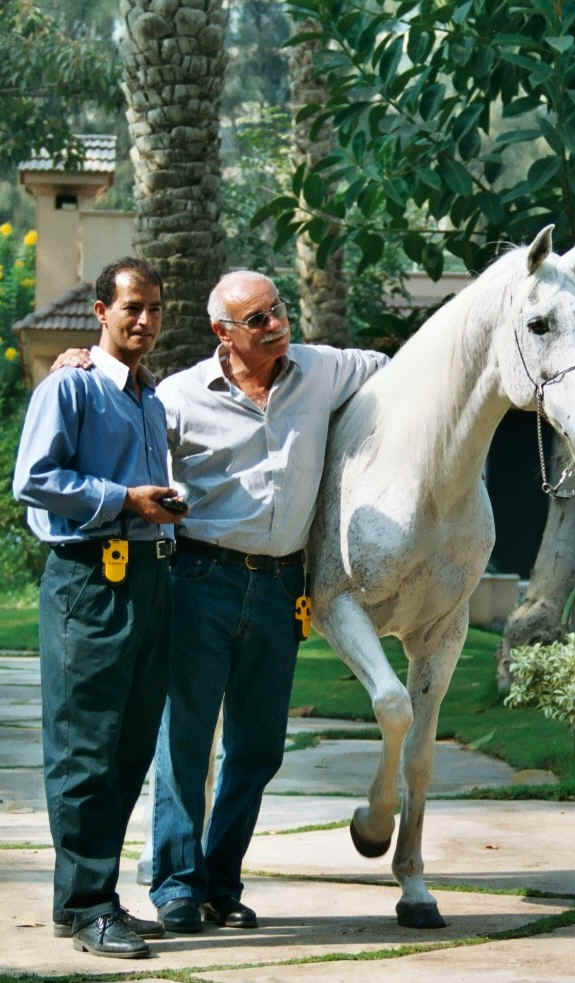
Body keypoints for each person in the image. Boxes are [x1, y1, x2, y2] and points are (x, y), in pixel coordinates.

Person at [148, 271, 388, 933]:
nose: (276, 324)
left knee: (258, 749)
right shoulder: (179, 396)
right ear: (222, 333)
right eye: (257, 319)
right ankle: (175, 885)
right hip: (201, 579)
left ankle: (220, 884)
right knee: (185, 741)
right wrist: (80, 363)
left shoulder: (323, 369)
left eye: (277, 309)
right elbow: (126, 433)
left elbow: (395, 369)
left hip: (283, 587)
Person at [12, 258, 184, 958]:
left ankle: (89, 898)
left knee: (128, 747)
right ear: (101, 311)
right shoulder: (71, 386)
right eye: (131, 307)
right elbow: (34, 479)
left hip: (150, 579)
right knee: (84, 747)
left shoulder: (149, 399)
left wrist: (159, 506)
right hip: (90, 580)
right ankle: (87, 906)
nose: (144, 320)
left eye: (154, 308)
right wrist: (125, 500)